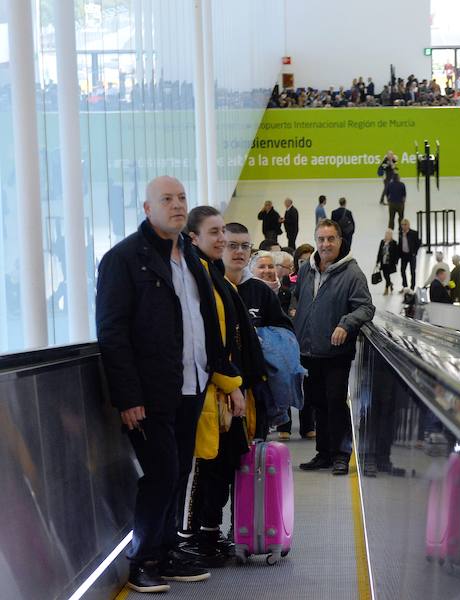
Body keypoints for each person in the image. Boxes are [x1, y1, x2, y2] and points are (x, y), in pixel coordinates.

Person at [96, 176, 232, 592]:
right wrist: (129, 396)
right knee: (162, 471)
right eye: (166, 199)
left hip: (192, 385)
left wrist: (221, 376)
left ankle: (168, 550)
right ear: (147, 208)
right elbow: (112, 332)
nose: (176, 205)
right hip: (150, 392)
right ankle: (143, 559)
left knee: (180, 470)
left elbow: (207, 322)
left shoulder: (192, 258)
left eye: (181, 199)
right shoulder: (124, 259)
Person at [178, 207, 267, 567]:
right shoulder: (197, 277)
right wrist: (230, 384)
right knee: (207, 465)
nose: (221, 242)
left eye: (223, 234)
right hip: (212, 390)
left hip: (229, 388)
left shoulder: (214, 278)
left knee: (226, 462)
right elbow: (206, 341)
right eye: (214, 234)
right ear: (194, 237)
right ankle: (196, 536)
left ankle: (210, 535)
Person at [294, 219, 374, 477]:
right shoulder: (306, 269)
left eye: (331, 239)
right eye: (321, 239)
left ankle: (341, 455)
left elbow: (365, 307)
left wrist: (346, 323)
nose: (325, 244)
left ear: (340, 241)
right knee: (317, 402)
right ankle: (324, 453)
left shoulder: (353, 274)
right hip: (309, 350)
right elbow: (298, 295)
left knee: (335, 403)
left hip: (336, 352)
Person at [223, 223, 297, 444]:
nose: (239, 251)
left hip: (256, 389)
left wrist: (260, 337)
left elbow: (285, 331)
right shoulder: (211, 287)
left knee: (255, 459)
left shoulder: (260, 290)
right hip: (220, 388)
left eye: (245, 246)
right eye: (232, 245)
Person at [398, 219, 421, 290]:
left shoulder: (414, 233)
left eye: (405, 224)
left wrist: (415, 252)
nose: (403, 226)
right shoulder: (401, 233)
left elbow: (418, 243)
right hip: (404, 255)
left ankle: (412, 287)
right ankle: (405, 286)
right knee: (402, 271)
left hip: (411, 255)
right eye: (402, 225)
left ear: (408, 225)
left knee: (412, 271)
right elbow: (400, 244)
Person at [376, 229, 400, 295]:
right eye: (386, 234)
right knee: (385, 275)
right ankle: (390, 284)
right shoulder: (382, 242)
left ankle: (386, 289)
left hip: (390, 262)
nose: (387, 235)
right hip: (383, 261)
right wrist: (377, 261)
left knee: (387, 275)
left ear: (391, 235)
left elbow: (396, 253)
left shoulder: (394, 243)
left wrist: (396, 262)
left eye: (389, 234)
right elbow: (379, 252)